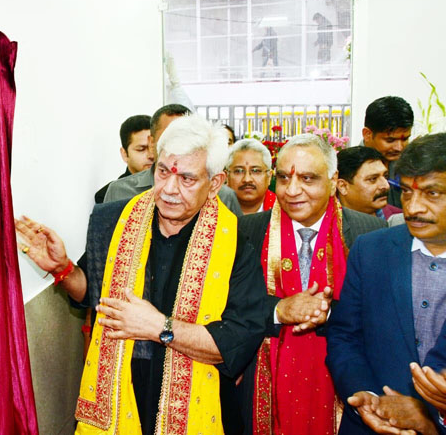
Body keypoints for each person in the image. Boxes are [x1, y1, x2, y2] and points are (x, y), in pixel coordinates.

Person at [16, 116, 267, 434]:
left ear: (214, 184)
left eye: (187, 179)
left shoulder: (236, 242)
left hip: (201, 405)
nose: (170, 189)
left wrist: (158, 327)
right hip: (120, 397)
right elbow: (92, 294)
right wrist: (62, 269)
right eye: (163, 172)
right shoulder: (114, 221)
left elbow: (233, 344)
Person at [238, 133, 386, 435]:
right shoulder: (247, 231)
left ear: (333, 181)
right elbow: (232, 306)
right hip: (261, 381)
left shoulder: (369, 232)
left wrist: (330, 314)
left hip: (345, 383)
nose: (293, 190)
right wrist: (280, 310)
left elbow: (381, 315)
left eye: (308, 178)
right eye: (283, 178)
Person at [327, 132, 446, 435]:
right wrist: (366, 396)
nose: (413, 208)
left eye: (432, 194)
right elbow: (344, 336)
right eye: (405, 192)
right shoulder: (371, 250)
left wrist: (433, 417)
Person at [104, 104, 244, 216]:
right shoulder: (119, 191)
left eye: (187, 179)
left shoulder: (223, 196)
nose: (170, 189)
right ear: (152, 143)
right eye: (170, 136)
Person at [363, 96, 414, 208]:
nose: (399, 148)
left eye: (405, 139)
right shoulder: (348, 168)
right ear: (367, 134)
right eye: (390, 140)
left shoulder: (411, 166)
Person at [94, 114, 153, 204]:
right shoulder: (109, 194)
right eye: (141, 149)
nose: (151, 155)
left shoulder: (169, 187)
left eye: (155, 148)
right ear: (124, 154)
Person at [336, 146, 402, 220]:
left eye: (385, 176)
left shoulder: (399, 220)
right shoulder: (324, 222)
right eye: (373, 179)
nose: (385, 185)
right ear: (343, 186)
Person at [226, 139, 275, 215]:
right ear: (227, 177)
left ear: (269, 177)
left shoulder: (283, 211)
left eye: (255, 171)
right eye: (239, 171)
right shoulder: (210, 212)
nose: (247, 179)